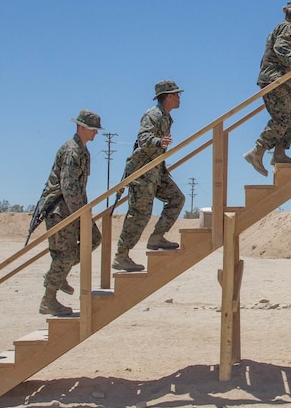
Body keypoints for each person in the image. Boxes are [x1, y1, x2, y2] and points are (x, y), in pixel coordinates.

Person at [113, 80, 187, 272]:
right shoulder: (152, 115)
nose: (180, 98)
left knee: (177, 198)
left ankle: (156, 238)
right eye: (177, 94)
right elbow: (143, 138)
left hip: (157, 171)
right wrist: (158, 141)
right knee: (140, 214)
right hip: (143, 172)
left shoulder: (166, 117)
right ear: (169, 96)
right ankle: (121, 255)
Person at [36, 110, 104, 316]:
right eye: (93, 129)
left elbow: (79, 188)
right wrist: (80, 214)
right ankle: (48, 299)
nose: (96, 133)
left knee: (94, 238)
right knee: (64, 255)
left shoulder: (83, 152)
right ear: (81, 127)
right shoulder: (71, 151)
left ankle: (56, 273)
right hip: (60, 211)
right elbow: (68, 187)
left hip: (74, 210)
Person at [243, 2, 291, 176]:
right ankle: (257, 152)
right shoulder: (287, 28)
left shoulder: (285, 28)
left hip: (282, 81)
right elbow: (280, 46)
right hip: (275, 79)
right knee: (281, 118)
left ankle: (279, 153)